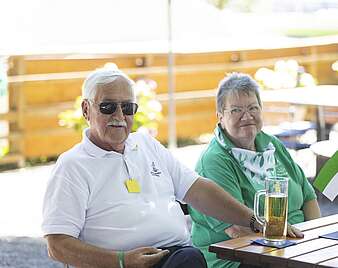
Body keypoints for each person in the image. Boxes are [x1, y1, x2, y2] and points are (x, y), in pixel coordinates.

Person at [42, 66, 302, 268]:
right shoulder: (73, 166)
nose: (119, 116)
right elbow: (57, 244)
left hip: (174, 255)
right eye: (108, 107)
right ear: (86, 109)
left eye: (128, 107)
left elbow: (198, 190)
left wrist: (257, 221)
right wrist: (121, 260)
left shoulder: (145, 144)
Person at [188, 72, 321, 268]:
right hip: (239, 257)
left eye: (253, 108)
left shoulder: (271, 144)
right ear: (220, 117)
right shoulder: (214, 161)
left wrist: (316, 240)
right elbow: (240, 229)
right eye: (236, 110)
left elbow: (308, 197)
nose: (247, 116)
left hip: (294, 246)